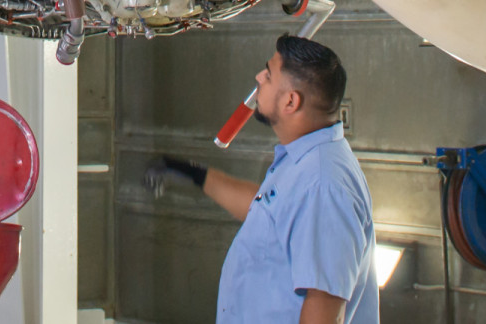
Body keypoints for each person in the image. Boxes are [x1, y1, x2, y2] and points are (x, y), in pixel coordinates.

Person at [147, 36, 377, 324]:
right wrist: (189, 171)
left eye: (268, 74)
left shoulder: (323, 185)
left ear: (291, 101)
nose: (258, 77)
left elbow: (323, 310)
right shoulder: (303, 162)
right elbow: (264, 211)